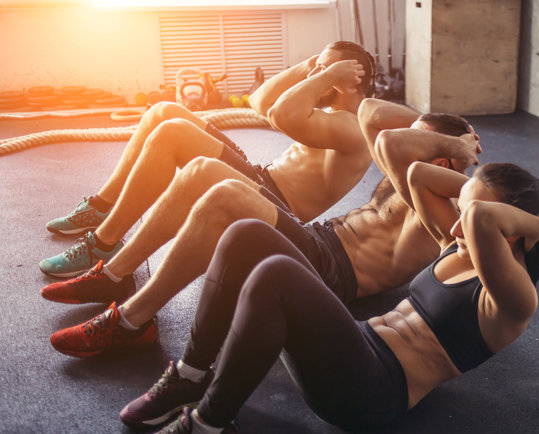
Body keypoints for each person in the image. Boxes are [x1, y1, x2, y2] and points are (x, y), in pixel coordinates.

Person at [122, 159, 539, 434]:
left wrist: (537, 221)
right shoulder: (456, 246)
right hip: (354, 345)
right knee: (246, 234)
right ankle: (190, 373)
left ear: (513, 230)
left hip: (371, 392)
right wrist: (477, 192)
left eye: (470, 212)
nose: (456, 223)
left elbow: (478, 221)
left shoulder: (514, 300)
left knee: (277, 273)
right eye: (459, 207)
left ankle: (207, 432)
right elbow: (415, 173)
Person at [46, 100, 481, 358]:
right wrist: (442, 132)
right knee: (203, 171)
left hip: (330, 273)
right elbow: (371, 112)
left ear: (442, 159)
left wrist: (455, 147)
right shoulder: (417, 170)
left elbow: (388, 140)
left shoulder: (439, 200)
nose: (408, 136)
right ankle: (114, 275)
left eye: (423, 141)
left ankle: (131, 321)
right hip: (318, 241)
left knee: (223, 191)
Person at [39, 40, 375, 278]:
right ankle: (102, 205)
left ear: (350, 77)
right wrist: (311, 66)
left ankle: (103, 243)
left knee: (172, 134)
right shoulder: (332, 113)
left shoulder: (352, 126)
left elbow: (281, 114)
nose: (314, 75)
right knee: (164, 111)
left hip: (273, 204)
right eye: (316, 69)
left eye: (323, 70)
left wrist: (325, 75)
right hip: (258, 177)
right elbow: (259, 101)